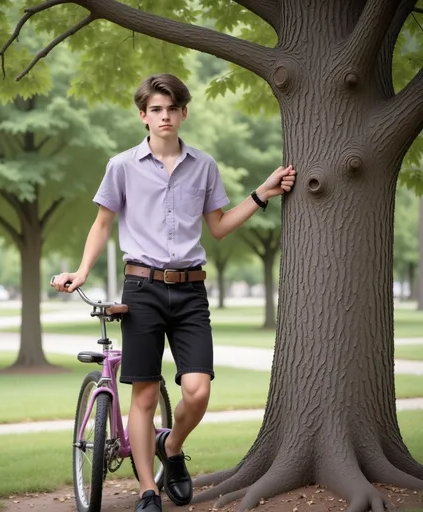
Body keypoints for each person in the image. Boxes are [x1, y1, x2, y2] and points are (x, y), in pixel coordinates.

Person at [51, 74, 296, 512]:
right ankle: (148, 490)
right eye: (156, 110)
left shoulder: (204, 166)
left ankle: (173, 446)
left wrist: (262, 194)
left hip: (190, 292)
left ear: (183, 113)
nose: (164, 117)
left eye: (172, 109)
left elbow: (217, 227)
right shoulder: (121, 166)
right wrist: (83, 270)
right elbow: (102, 224)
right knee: (144, 396)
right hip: (141, 288)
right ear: (143, 116)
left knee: (197, 391)